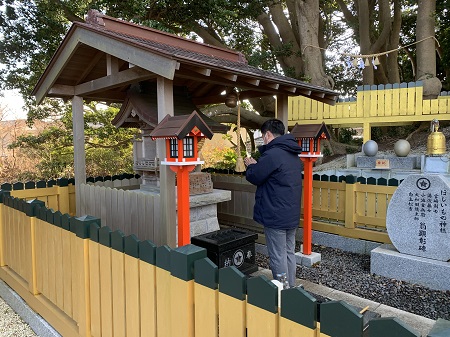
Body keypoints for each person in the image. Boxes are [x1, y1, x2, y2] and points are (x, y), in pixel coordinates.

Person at [244, 119, 302, 288]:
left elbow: (255, 176)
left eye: (263, 137)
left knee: (278, 256)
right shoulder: (292, 154)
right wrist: (258, 165)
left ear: (268, 135)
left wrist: (251, 165)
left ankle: (283, 289)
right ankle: (290, 287)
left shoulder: (273, 154)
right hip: (290, 214)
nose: (263, 140)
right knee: (289, 252)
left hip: (275, 216)